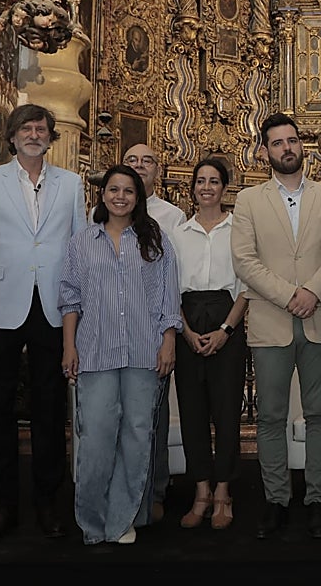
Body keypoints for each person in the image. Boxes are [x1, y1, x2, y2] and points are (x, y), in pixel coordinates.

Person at [0, 103, 87, 543]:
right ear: (11, 137)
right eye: (26, 129)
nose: (34, 135)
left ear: (50, 137)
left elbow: (78, 250)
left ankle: (47, 503)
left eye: (41, 129)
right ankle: (4, 505)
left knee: (50, 410)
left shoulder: (70, 184)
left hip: (53, 307)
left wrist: (77, 311)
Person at [231, 112, 321, 540]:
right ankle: (276, 500)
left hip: (320, 316)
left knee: (319, 415)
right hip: (271, 320)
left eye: (292, 140)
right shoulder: (249, 200)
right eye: (277, 143)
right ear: (265, 152)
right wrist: (290, 295)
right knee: (270, 417)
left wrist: (313, 291)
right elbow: (245, 261)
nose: (286, 148)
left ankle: (318, 501)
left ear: (302, 145)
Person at [59, 165, 181, 545]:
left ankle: (122, 519)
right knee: (96, 437)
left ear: (137, 197)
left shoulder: (155, 239)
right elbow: (70, 298)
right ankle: (93, 522)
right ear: (103, 195)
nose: (120, 197)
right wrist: (69, 346)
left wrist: (168, 341)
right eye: (114, 189)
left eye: (128, 190)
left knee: (136, 438)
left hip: (144, 354)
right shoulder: (83, 241)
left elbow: (168, 297)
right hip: (95, 353)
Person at [172, 158, 248, 531]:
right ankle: (200, 491)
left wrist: (225, 331)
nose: (206, 187)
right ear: (193, 188)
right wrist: (185, 332)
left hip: (226, 320)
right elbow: (169, 288)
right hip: (187, 321)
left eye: (214, 181)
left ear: (224, 188)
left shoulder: (238, 231)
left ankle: (223, 491)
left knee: (227, 410)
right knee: (192, 411)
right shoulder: (178, 233)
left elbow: (246, 287)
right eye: (200, 181)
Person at [122, 142, 186, 521]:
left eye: (147, 161)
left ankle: (156, 490)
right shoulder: (100, 215)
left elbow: (173, 280)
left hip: (153, 328)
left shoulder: (172, 217)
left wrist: (169, 334)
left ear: (158, 171)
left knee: (153, 415)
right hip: (112, 329)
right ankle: (123, 492)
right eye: (132, 160)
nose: (140, 165)